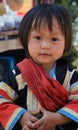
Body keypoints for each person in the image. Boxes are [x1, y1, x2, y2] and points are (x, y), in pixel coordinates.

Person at [0, 3, 78, 130]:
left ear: (66, 42)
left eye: (54, 39)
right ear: (26, 40)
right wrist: (21, 116)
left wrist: (57, 118)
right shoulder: (19, 74)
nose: (45, 46)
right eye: (37, 37)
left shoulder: (70, 77)